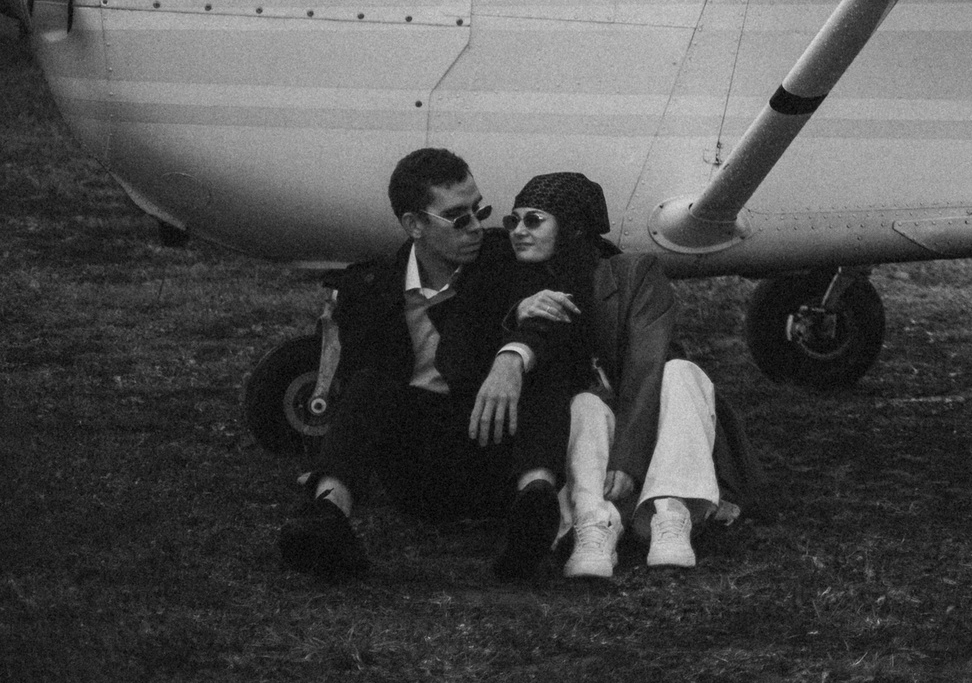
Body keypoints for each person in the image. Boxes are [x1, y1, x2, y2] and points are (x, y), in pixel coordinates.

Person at [274, 148, 579, 582]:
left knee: (541, 373)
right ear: (414, 224)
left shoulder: (505, 259)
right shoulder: (377, 288)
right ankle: (329, 513)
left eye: (479, 210)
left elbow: (551, 317)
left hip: (498, 446)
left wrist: (510, 359)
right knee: (368, 385)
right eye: (458, 218)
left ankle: (536, 501)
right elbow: (362, 394)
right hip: (422, 466)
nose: (476, 227)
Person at [502, 172, 762, 580]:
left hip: (660, 438)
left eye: (533, 220)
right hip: (590, 452)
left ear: (572, 227)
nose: (518, 231)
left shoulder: (633, 273)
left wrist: (627, 460)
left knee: (679, 371)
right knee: (583, 402)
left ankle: (671, 513)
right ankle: (594, 525)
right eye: (512, 220)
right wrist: (516, 319)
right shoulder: (520, 286)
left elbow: (646, 366)